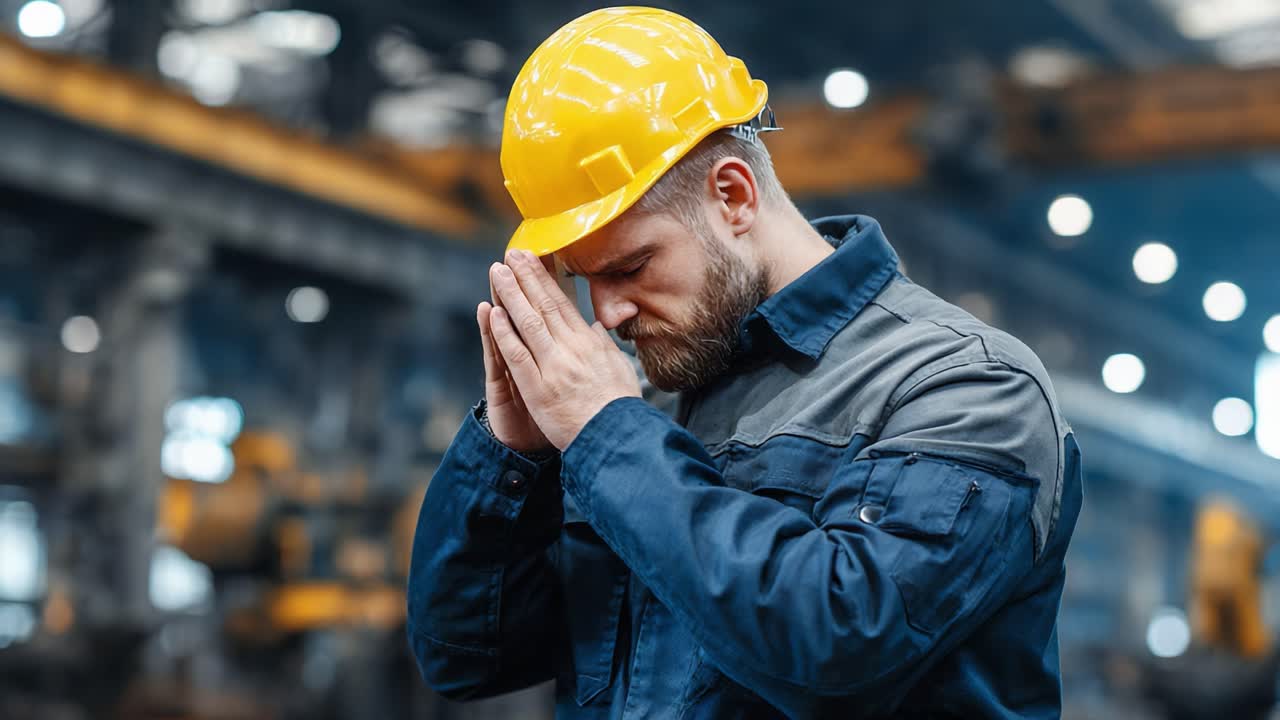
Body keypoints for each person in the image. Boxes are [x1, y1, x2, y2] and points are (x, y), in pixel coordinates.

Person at [407, 7, 1083, 718]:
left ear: (732, 195)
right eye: (583, 279)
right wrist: (513, 457)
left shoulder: (965, 387)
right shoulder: (647, 409)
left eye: (631, 266)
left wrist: (610, 437)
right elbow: (464, 658)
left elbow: (836, 653)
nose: (605, 315)